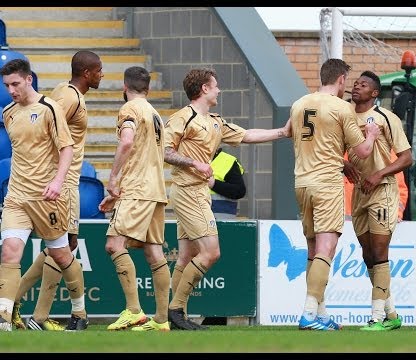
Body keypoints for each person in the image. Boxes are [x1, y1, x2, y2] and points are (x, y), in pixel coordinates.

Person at [163, 67, 291, 330]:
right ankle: (176, 310)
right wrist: (194, 164)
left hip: (197, 192)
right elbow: (164, 150)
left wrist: (282, 132)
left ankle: (177, 315)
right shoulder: (182, 118)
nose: (220, 89)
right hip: (188, 190)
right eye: (216, 85)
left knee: (186, 256)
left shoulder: (216, 122)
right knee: (211, 253)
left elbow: (246, 135)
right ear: (204, 89)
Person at [11, 51, 103, 331]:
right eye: (99, 70)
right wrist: (55, 178)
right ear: (87, 73)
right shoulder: (69, 98)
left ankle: (22, 306)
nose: (102, 75)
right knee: (62, 247)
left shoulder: (67, 91)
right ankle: (34, 313)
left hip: (63, 182)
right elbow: (44, 130)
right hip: (61, 185)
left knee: (62, 247)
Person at [290, 58, 380, 331]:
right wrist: (372, 134)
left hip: (301, 183)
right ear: (341, 80)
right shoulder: (342, 108)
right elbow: (363, 151)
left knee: (313, 250)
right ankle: (307, 315)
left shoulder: (299, 104)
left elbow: (296, 135)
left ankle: (321, 313)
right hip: (327, 184)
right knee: (326, 249)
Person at [97, 66, 171, 332]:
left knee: (114, 245)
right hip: (157, 190)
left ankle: (133, 311)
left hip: (137, 188)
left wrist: (114, 179)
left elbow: (126, 142)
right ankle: (161, 320)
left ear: (124, 87)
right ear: (148, 90)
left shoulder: (129, 109)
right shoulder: (155, 114)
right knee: (154, 252)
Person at [343, 70, 412, 331]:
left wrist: (379, 173)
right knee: (368, 254)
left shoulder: (385, 118)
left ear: (374, 93)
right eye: (355, 83)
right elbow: (334, 150)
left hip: (382, 189)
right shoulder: (345, 117)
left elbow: (406, 158)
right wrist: (344, 164)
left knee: (380, 252)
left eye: (363, 85)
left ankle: (376, 318)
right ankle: (392, 314)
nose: (356, 86)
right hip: (360, 192)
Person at [344, 150, 408, 221]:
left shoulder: (388, 152)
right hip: (340, 222)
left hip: (377, 221)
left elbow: (398, 189)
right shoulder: (338, 148)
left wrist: (395, 214)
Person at [208, 147, 246, 219]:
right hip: (194, 221)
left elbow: (239, 191)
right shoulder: (188, 160)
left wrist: (214, 184)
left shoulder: (228, 161)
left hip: (223, 223)